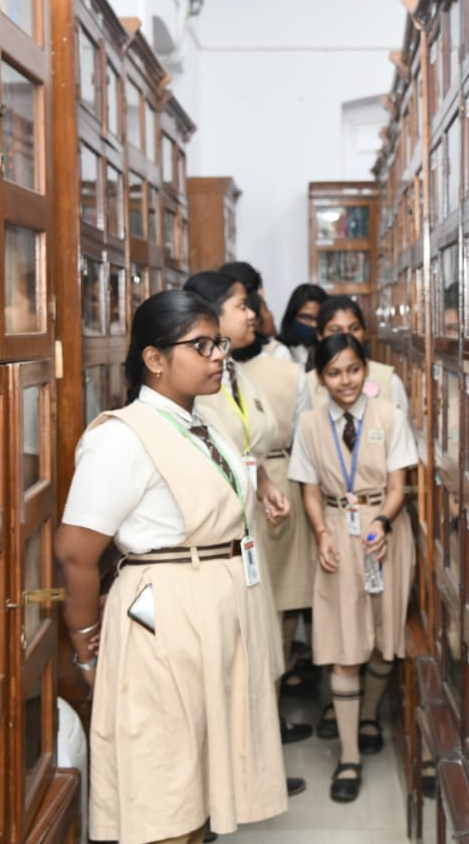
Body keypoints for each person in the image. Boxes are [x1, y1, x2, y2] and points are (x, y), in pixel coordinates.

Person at [54, 290, 287, 844]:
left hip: (214, 611)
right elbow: (74, 552)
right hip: (165, 618)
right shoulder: (121, 437)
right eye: (201, 346)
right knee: (167, 785)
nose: (218, 356)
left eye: (219, 343)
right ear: (155, 359)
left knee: (200, 778)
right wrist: (85, 644)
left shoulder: (199, 422)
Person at [183, 271, 313, 789]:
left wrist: (264, 488)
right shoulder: (194, 383)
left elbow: (245, 449)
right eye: (241, 305)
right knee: (229, 660)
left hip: (250, 530)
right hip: (217, 543)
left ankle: (253, 769)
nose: (252, 313)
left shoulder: (235, 371)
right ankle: (229, 780)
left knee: (258, 650)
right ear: (210, 314)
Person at [287, 333, 418, 803]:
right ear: (321, 379)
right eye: (334, 372)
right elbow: (308, 490)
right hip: (337, 535)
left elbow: (399, 486)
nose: (345, 381)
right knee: (344, 642)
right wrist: (321, 533)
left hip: (385, 533)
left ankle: (368, 716)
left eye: (353, 369)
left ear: (366, 370)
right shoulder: (309, 425)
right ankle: (349, 756)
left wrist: (382, 522)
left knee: (384, 639)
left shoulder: (390, 416)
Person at [293, 296, 410, 425]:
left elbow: (401, 430)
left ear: (364, 331)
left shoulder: (389, 380)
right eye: (336, 330)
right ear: (320, 335)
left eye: (354, 328)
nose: (347, 336)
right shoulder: (307, 384)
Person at [276, 284, 327, 367]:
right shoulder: (279, 352)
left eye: (319, 318)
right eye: (307, 318)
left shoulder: (329, 350)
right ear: (292, 316)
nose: (314, 324)